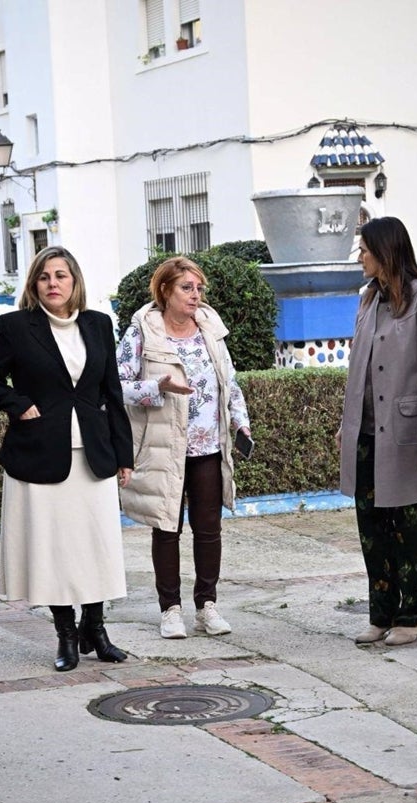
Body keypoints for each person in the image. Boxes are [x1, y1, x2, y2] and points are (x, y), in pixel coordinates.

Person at [0, 245, 133, 672]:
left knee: (96, 547)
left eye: (61, 276)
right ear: (34, 284)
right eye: (45, 277)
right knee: (54, 550)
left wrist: (124, 454)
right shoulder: (15, 326)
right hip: (41, 455)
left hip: (93, 455)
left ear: (75, 282)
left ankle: (95, 631)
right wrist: (18, 403)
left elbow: (112, 393)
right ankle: (65, 634)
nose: (53, 284)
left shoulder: (100, 325)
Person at [117, 256, 251, 640]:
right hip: (163, 448)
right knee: (166, 528)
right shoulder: (143, 330)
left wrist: (240, 421)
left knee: (209, 529)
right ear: (165, 291)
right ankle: (170, 609)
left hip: (208, 445)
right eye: (186, 288)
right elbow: (117, 383)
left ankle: (207, 606)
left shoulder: (209, 328)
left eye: (198, 288)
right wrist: (156, 388)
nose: (195, 296)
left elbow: (231, 382)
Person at [337, 218, 417, 647]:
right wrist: (347, 427)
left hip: (406, 433)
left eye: (364, 249)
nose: (360, 256)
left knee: (410, 527)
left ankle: (413, 614)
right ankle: (380, 612)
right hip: (366, 434)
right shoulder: (369, 299)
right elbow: (358, 371)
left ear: (385, 251)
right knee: (372, 527)